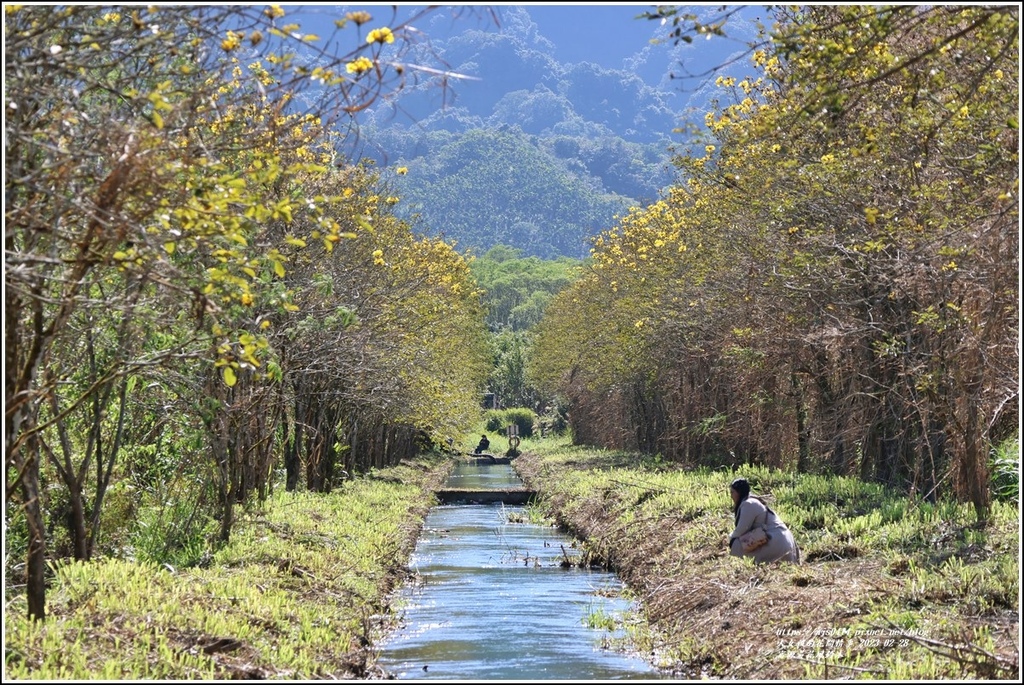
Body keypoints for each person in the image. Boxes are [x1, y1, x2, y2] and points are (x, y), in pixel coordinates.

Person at [728, 478, 800, 564]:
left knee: (735, 542)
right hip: (784, 540)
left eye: (732, 492)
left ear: (739, 493)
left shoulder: (748, 504)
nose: (731, 496)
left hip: (777, 541)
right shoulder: (752, 501)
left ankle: (757, 562)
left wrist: (729, 539)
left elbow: (741, 530)